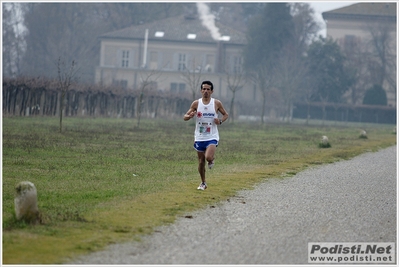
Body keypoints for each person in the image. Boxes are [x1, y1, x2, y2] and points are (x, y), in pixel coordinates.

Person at [183, 81, 229, 190]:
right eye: (204, 89)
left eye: (208, 89)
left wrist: (220, 121)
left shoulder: (216, 103)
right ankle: (203, 183)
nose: (206, 91)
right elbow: (185, 116)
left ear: (212, 91)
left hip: (212, 136)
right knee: (201, 161)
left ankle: (211, 159)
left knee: (208, 157)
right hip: (199, 136)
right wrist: (190, 116)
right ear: (201, 91)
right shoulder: (196, 104)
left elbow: (226, 115)